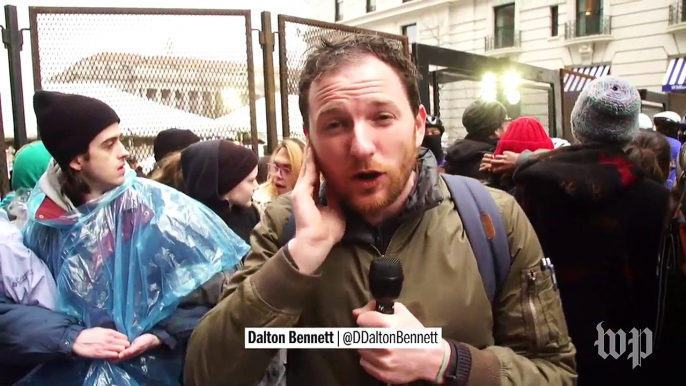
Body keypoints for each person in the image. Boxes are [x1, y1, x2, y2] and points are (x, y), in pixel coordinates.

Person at [184, 34, 576, 386]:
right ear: (311, 141)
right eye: (335, 124)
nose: (361, 146)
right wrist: (301, 257)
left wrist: (447, 362)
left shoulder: (492, 218)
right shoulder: (284, 225)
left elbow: (555, 373)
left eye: (382, 117)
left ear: (419, 126)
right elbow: (205, 375)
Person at [4, 91, 249, 386]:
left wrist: (162, 333)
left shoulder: (162, 211)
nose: (123, 152)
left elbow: (228, 294)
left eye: (120, 139)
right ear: (77, 159)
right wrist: (71, 337)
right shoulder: (44, 228)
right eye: (109, 144)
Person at [512, 76, 670, 385]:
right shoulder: (660, 200)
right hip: (631, 351)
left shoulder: (532, 186)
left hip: (549, 348)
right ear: (630, 132)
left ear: (578, 123)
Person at [152, 139, 260, 243]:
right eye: (251, 180)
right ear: (227, 182)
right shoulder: (176, 226)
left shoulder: (254, 216)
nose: (257, 186)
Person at [443, 99, 508, 181]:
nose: (509, 126)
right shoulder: (493, 163)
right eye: (506, 121)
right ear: (496, 129)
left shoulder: (456, 155)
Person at [253, 138, 305, 211]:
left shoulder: (317, 205)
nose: (278, 175)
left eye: (287, 170)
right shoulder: (257, 203)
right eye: (276, 167)